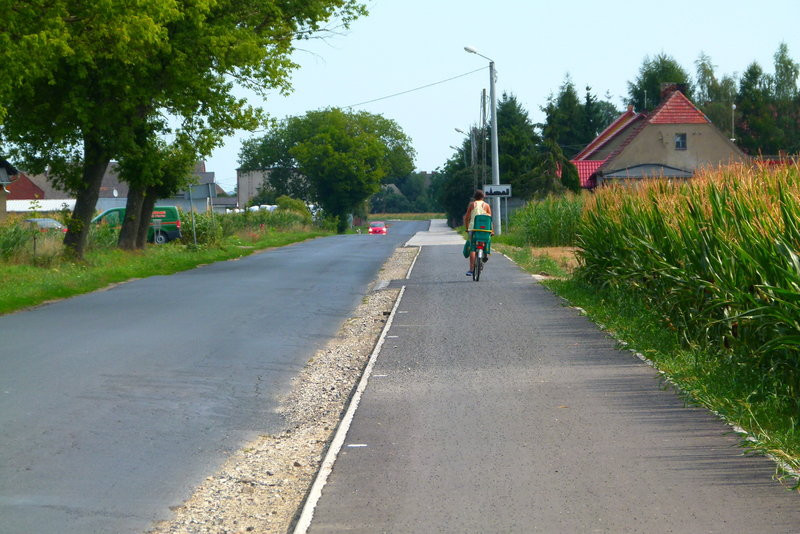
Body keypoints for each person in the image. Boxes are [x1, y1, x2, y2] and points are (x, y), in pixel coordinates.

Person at [463, 190, 492, 276]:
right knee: (484, 241)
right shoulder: (486, 205)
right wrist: (492, 230)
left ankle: (471, 270)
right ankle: (485, 253)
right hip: (484, 229)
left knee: (472, 248)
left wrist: (467, 228)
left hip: (473, 229)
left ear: (474, 197)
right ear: (483, 197)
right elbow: (490, 220)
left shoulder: (472, 204)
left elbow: (467, 217)